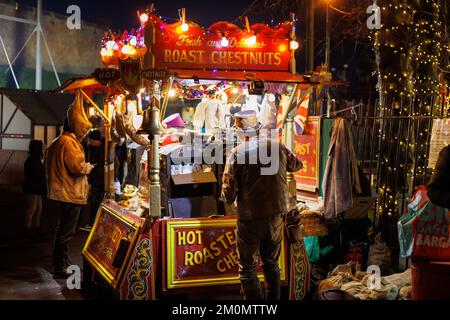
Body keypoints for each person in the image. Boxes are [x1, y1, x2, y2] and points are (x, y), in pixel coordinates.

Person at [221, 110, 303, 300]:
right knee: (271, 263)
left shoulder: (236, 154)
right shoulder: (278, 147)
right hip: (276, 215)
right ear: (257, 129)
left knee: (248, 269)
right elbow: (297, 165)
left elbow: (228, 193)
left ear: (241, 133)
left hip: (250, 218)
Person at [46, 116, 94, 277]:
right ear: (76, 127)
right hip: (69, 193)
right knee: (66, 231)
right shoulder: (69, 143)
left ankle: (62, 261)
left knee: (62, 229)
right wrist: (88, 167)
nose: (85, 133)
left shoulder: (57, 141)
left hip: (62, 192)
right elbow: (77, 168)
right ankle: (60, 266)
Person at [80, 129, 105, 232]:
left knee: (97, 204)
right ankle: (91, 223)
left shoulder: (105, 148)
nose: (89, 142)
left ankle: (93, 224)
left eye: (91, 140)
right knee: (93, 203)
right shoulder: (90, 148)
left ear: (97, 140)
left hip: (102, 181)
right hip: (94, 181)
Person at [23, 140, 46, 237]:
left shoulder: (34, 158)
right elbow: (36, 175)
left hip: (35, 188)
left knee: (38, 208)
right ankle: (28, 228)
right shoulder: (33, 160)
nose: (43, 148)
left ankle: (35, 227)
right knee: (32, 209)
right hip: (32, 188)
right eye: (42, 147)